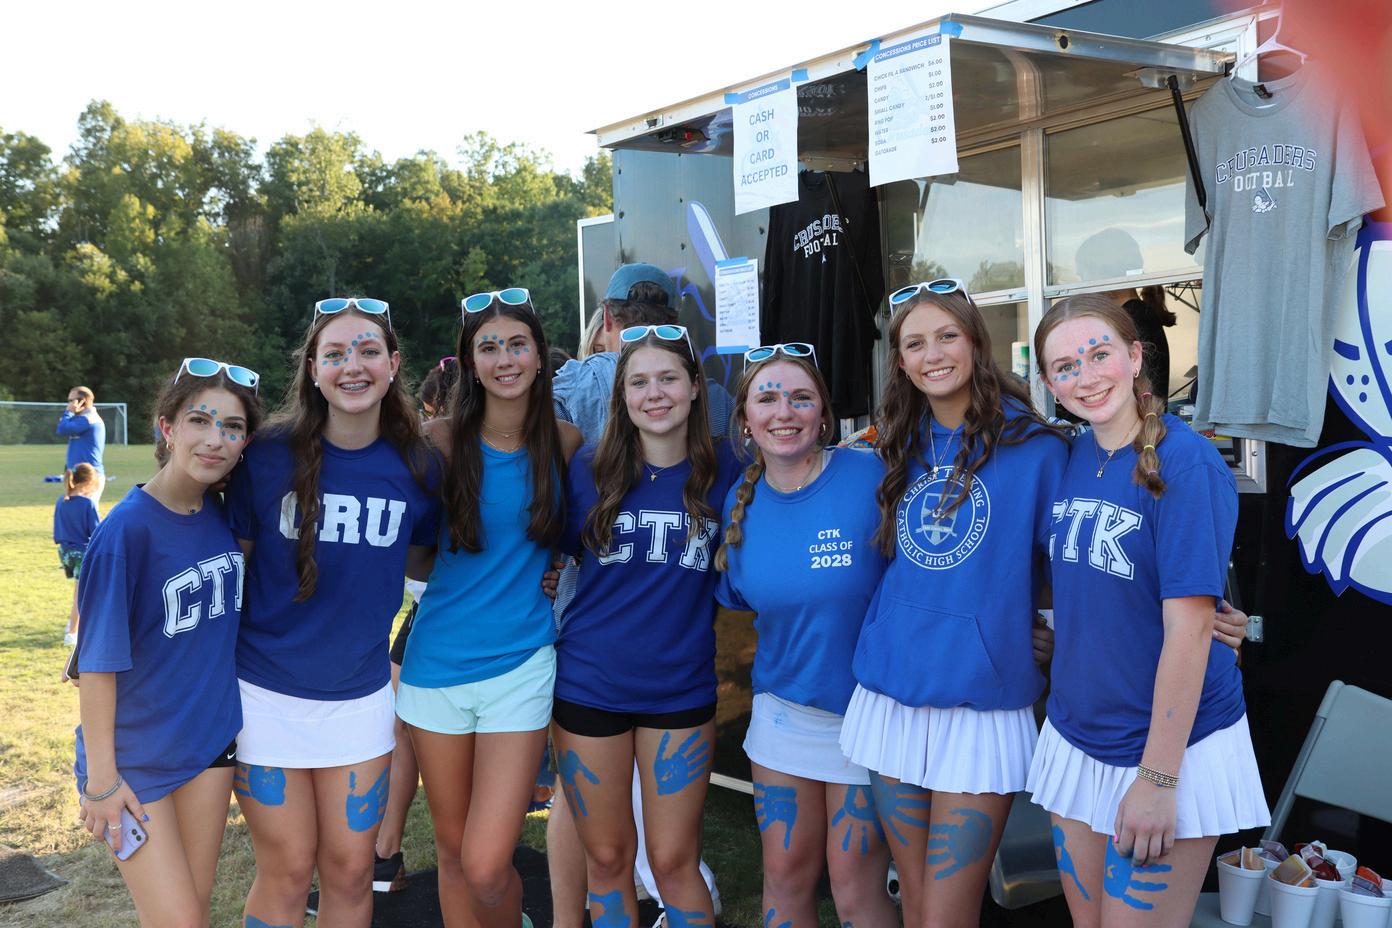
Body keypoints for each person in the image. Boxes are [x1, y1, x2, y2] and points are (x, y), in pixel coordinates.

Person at [837, 280, 1073, 928]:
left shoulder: (1037, 449)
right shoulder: (892, 446)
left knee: (947, 913)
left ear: (975, 343)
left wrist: (1047, 627)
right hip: (892, 696)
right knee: (915, 902)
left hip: (981, 705)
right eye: (916, 344)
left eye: (947, 336)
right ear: (901, 361)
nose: (933, 354)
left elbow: (1069, 567)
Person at [1027, 294, 1268, 926]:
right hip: (1077, 734)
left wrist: (1159, 779)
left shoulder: (1187, 461)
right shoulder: (1071, 455)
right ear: (1049, 383)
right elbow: (1077, 581)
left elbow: (1189, 628)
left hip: (1167, 748)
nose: (1086, 376)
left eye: (1099, 354)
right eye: (1065, 366)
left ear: (1135, 357)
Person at [226, 297, 440, 928]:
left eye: (369, 350)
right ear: (313, 370)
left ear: (393, 364)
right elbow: (228, 572)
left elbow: (424, 562)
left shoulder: (419, 466)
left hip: (360, 699)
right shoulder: (265, 456)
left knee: (350, 871)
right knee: (288, 871)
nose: (353, 366)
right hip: (264, 695)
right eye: (336, 353)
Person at [397, 287, 581, 928]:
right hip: (435, 670)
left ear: (539, 354)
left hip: (520, 667)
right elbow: (414, 557)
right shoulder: (438, 443)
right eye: (490, 347)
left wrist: (564, 570)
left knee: (485, 863)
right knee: (452, 855)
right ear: (470, 362)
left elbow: (583, 536)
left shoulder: (566, 442)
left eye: (517, 344)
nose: (505, 359)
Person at [552, 325, 739, 928]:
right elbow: (546, 555)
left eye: (667, 378)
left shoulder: (730, 471)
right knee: (607, 860)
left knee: (674, 862)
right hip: (588, 688)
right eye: (639, 382)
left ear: (694, 387)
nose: (654, 394)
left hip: (679, 692)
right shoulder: (588, 471)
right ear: (622, 396)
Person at [714, 343, 898, 928]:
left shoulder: (870, 476)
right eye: (767, 398)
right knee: (785, 874)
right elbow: (740, 604)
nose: (784, 411)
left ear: (823, 414)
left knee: (854, 883)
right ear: (746, 419)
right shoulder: (740, 503)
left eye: (801, 397)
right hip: (783, 715)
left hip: (867, 717)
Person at [74, 357, 262, 926]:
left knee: (192, 914)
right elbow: (95, 667)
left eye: (232, 427)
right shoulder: (126, 531)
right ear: (167, 427)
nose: (215, 439)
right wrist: (102, 781)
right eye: (200, 420)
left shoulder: (222, 514)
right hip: (136, 762)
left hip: (209, 747)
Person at [373, 364, 459, 894]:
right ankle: (384, 852)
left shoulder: (452, 451)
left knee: (405, 727)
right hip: (430, 607)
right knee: (400, 724)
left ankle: (386, 852)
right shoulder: (425, 455)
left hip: (455, 612)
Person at [54, 461, 101, 646]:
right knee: (81, 596)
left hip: (65, 553)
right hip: (82, 554)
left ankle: (74, 625)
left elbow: (58, 532)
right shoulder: (87, 504)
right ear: (88, 483)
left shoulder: (62, 500)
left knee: (80, 592)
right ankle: (72, 633)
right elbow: (97, 532)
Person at [57, 385, 106, 505]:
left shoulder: (88, 419)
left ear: (82, 401)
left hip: (88, 476)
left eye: (71, 400)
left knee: (86, 512)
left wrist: (69, 412)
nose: (68, 404)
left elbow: (62, 429)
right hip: (79, 475)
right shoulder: (82, 419)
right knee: (78, 513)